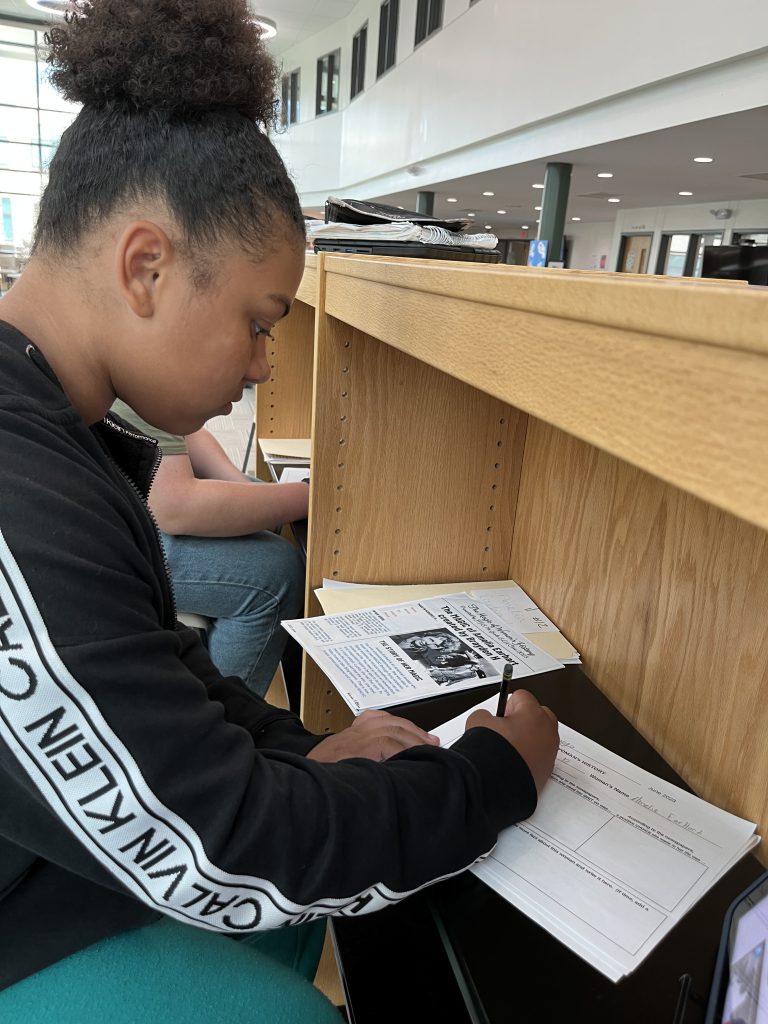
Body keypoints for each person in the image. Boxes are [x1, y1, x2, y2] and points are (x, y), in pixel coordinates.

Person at [0, 2, 560, 1021]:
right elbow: (216, 850)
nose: (263, 364)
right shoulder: (21, 496)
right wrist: (494, 777)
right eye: (257, 324)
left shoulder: (58, 438)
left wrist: (302, 751)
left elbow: (155, 674)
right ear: (146, 268)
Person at [110, 397, 307, 698]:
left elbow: (179, 432)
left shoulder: (151, 368)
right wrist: (311, 497)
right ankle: (229, 723)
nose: (261, 372)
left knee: (257, 498)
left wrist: (243, 487)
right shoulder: (147, 361)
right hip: (96, 528)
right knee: (274, 573)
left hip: (118, 498)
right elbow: (177, 507)